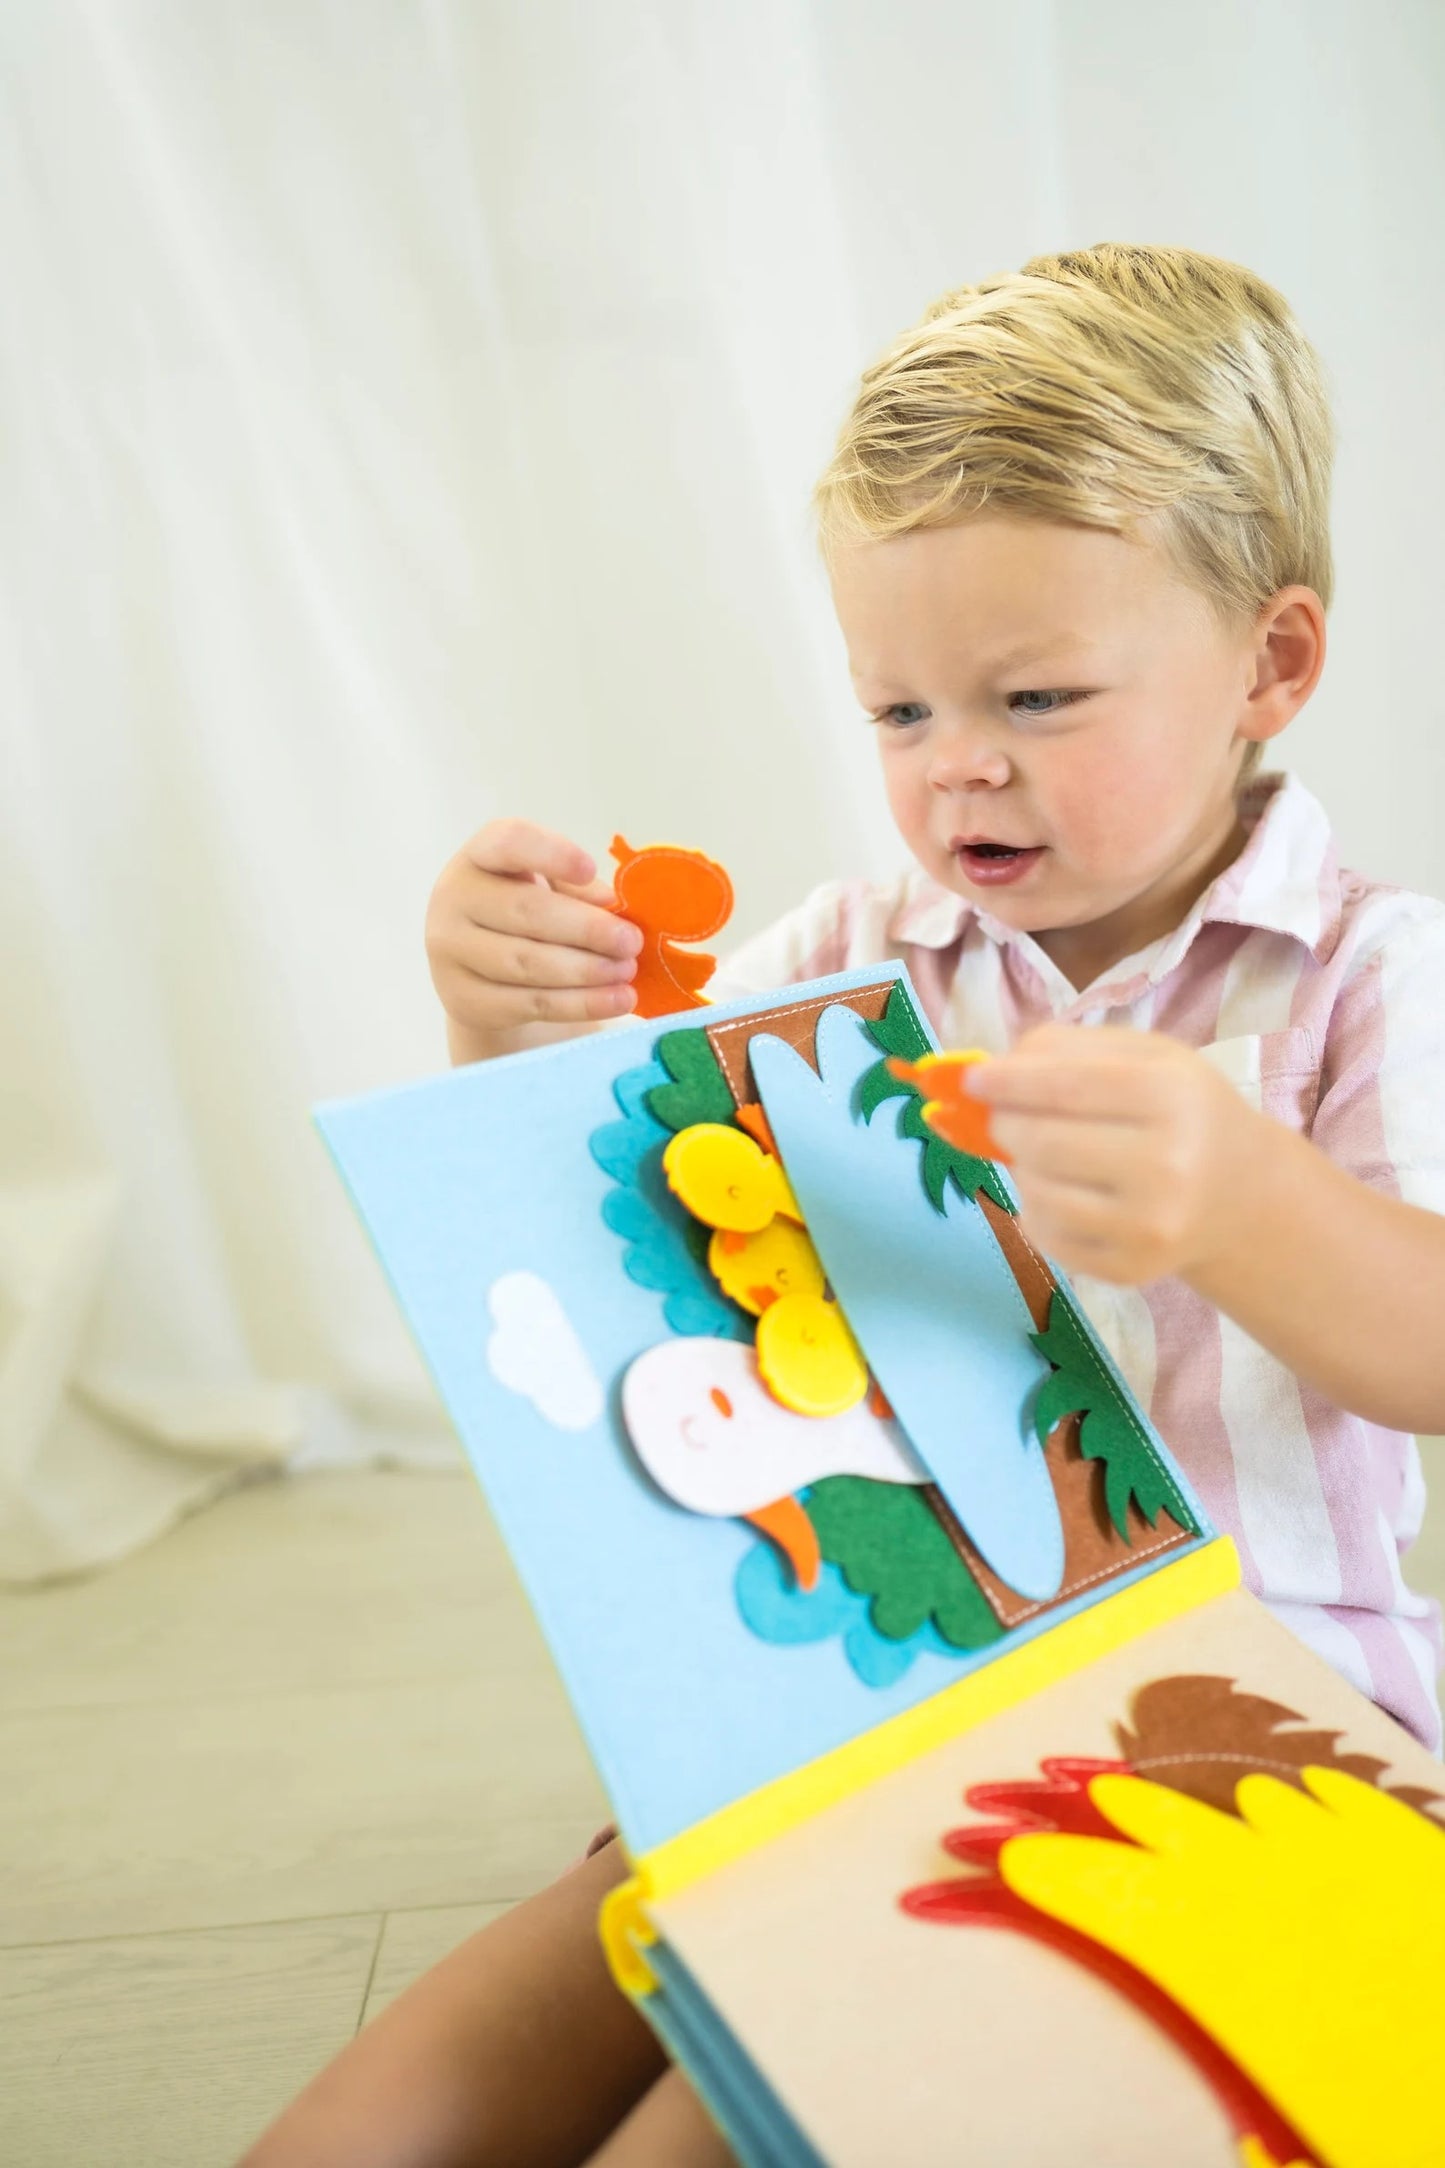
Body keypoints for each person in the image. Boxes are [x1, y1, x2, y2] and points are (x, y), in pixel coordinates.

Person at [243, 242, 1445, 2168]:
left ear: (1270, 666)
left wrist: (1243, 1203)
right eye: (896, 713)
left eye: (1036, 695)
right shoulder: (848, 961)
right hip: (850, 1691)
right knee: (436, 2071)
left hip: (1244, 1731)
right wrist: (500, 1022)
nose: (956, 764)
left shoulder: (1370, 973)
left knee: (714, 2128)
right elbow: (624, 1265)